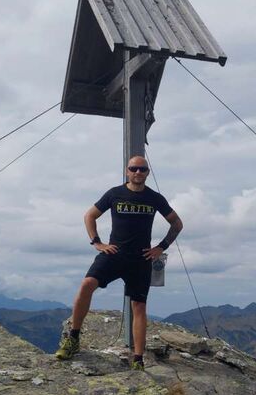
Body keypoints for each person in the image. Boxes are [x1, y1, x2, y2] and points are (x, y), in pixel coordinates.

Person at [54, 155, 183, 370]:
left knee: (139, 306)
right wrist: (97, 242)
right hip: (114, 254)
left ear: (148, 172)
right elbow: (89, 216)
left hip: (141, 258)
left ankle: (138, 360)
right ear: (127, 171)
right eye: (134, 168)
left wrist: (161, 247)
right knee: (87, 284)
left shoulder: (155, 198)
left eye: (142, 169)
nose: (138, 172)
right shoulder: (115, 194)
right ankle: (73, 338)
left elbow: (177, 223)